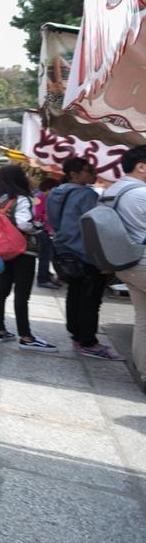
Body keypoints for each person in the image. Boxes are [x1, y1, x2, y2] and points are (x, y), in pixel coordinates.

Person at [48, 157, 123, 360]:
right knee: (91, 298)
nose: (93, 173)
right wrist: (105, 260)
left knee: (74, 293)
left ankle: (77, 336)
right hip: (86, 252)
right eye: (89, 170)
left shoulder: (55, 193)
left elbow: (53, 221)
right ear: (74, 174)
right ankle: (89, 341)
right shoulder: (86, 194)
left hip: (64, 250)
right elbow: (96, 226)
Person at [0, 165, 55, 350]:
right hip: (22, 250)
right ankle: (26, 336)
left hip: (1, 249)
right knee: (22, 294)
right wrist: (37, 227)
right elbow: (24, 224)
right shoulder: (22, 199)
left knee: (1, 289)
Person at [103, 145, 146, 382]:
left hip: (126, 264)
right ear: (142, 166)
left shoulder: (112, 191)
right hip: (143, 262)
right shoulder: (141, 194)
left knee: (143, 321)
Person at [34, 177, 61, 290]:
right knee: (44, 256)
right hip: (42, 231)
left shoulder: (44, 197)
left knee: (46, 255)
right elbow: (37, 215)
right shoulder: (39, 198)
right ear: (48, 188)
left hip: (46, 230)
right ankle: (42, 279)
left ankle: (46, 275)